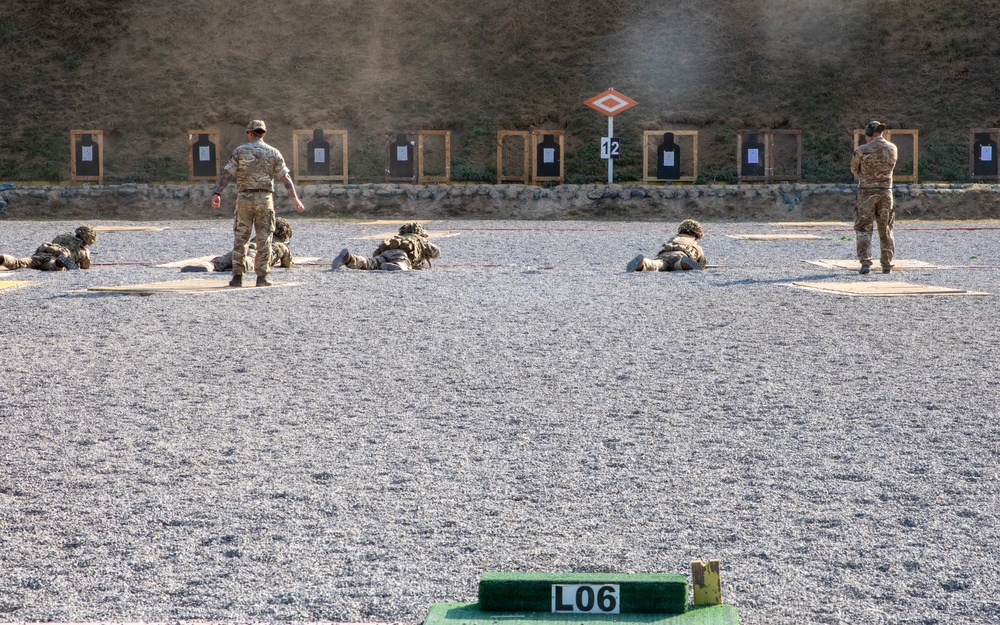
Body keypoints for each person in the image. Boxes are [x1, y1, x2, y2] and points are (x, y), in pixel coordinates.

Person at [211, 119, 305, 287]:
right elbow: (285, 177)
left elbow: (227, 174)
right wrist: (295, 199)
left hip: (244, 198)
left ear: (250, 133)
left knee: (241, 238)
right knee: (265, 238)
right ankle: (262, 277)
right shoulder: (274, 152)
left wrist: (217, 193)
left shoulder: (240, 151)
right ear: (263, 133)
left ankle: (237, 277)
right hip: (265, 199)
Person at [851, 120, 898, 274]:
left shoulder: (861, 150)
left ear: (869, 133)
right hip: (886, 192)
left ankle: (865, 261)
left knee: (864, 228)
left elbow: (854, 169)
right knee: (886, 228)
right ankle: (887, 263)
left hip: (866, 192)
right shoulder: (893, 148)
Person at [181, 217, 294, 273]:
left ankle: (208, 266)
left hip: (246, 247)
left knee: (224, 259)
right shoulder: (281, 246)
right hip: (258, 254)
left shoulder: (259, 236)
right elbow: (287, 263)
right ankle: (241, 265)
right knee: (250, 262)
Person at [331, 222, 440, 271]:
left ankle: (350, 258)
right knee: (403, 264)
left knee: (371, 263)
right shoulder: (419, 239)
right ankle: (395, 266)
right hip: (401, 255)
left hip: (386, 253)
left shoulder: (398, 238)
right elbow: (435, 251)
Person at [0, 225, 98, 271]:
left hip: (40, 254)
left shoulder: (63, 236)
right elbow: (85, 267)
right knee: (54, 267)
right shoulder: (83, 251)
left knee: (19, 263)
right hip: (52, 259)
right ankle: (59, 263)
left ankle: (3, 258)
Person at [626, 219, 706, 272]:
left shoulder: (674, 238)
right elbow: (701, 263)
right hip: (679, 256)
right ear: (696, 234)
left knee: (655, 265)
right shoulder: (695, 244)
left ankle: (643, 263)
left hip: (664, 255)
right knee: (678, 265)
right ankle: (684, 263)